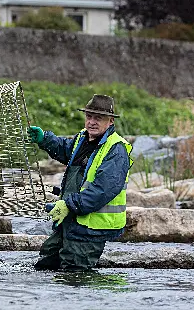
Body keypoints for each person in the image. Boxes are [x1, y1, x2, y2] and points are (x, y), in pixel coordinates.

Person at [27, 94, 133, 271]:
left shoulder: (116, 149)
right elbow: (66, 149)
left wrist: (68, 204)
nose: (92, 121)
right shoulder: (82, 139)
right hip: (70, 221)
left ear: (111, 121)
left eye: (98, 118)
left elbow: (102, 191)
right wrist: (44, 139)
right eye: (89, 116)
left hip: (91, 229)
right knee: (46, 263)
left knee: (75, 275)